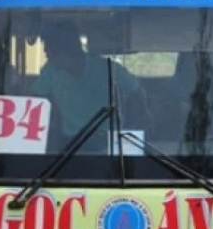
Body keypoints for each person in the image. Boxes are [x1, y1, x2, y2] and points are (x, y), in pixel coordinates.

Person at [31, 19, 148, 149]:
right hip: (70, 143)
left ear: (61, 51)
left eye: (48, 50)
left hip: (107, 142)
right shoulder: (50, 71)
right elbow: (34, 100)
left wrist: (133, 127)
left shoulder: (107, 68)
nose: (46, 54)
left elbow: (137, 92)